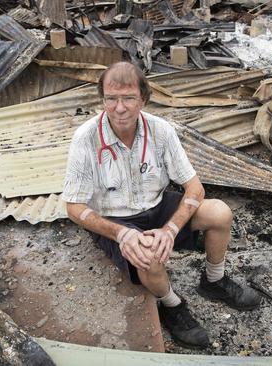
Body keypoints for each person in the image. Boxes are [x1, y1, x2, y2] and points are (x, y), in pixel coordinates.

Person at [62, 61, 261, 349]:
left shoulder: (161, 131)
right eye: (111, 98)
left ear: (143, 98)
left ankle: (214, 281)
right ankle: (171, 304)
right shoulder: (85, 138)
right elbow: (74, 207)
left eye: (128, 98)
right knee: (148, 257)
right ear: (103, 99)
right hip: (115, 219)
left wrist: (170, 229)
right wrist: (122, 234)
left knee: (219, 212)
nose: (119, 108)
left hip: (157, 207)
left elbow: (195, 188)